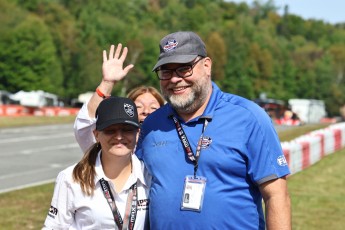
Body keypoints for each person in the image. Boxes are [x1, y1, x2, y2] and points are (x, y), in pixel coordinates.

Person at [135, 31, 291, 229]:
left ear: (207, 66)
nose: (175, 79)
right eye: (166, 71)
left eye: (184, 69)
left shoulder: (248, 117)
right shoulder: (151, 125)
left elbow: (277, 195)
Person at [43, 97, 150, 230]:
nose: (119, 136)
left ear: (137, 133)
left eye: (127, 129)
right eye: (110, 130)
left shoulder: (150, 176)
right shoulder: (71, 178)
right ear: (96, 135)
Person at [74, 44, 164, 153]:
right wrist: (107, 83)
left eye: (153, 108)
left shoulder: (172, 143)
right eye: (138, 106)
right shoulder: (114, 145)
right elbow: (85, 126)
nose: (146, 111)